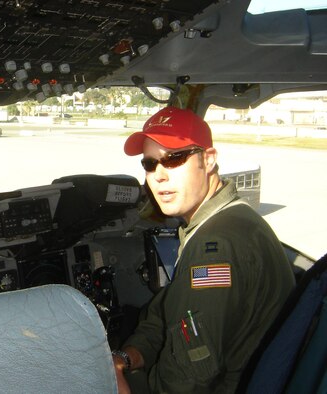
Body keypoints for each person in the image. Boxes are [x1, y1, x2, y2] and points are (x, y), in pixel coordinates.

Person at [112, 106, 296, 393]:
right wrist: (125, 357)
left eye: (174, 159)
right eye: (150, 164)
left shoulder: (216, 247)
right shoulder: (227, 218)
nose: (159, 175)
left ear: (208, 160)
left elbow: (190, 376)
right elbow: (166, 312)